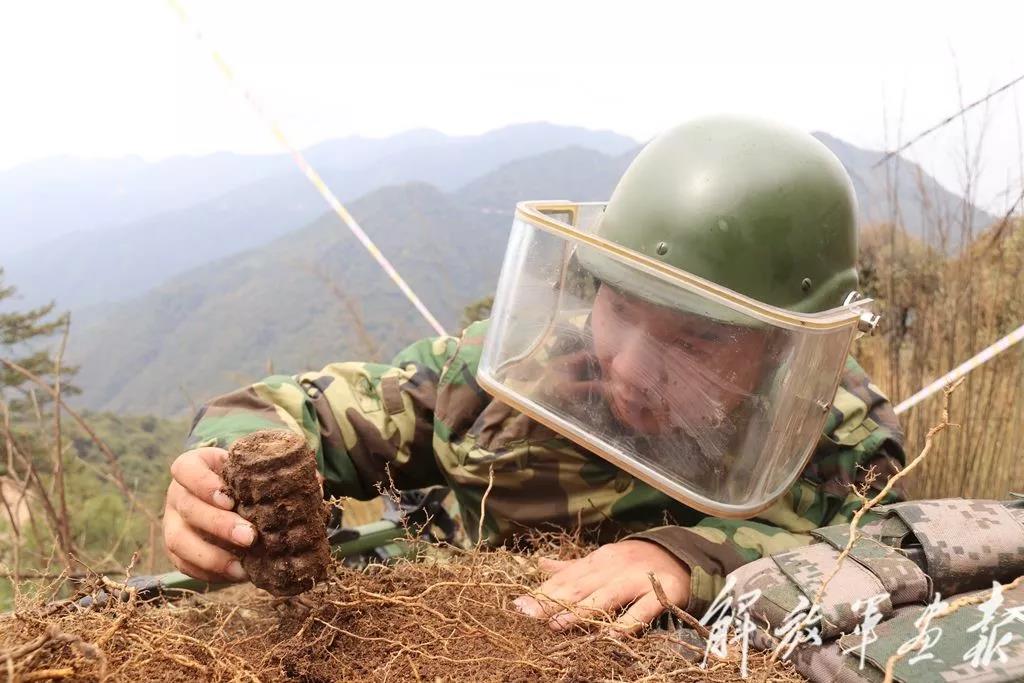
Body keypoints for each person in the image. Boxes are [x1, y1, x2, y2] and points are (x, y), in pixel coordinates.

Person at [162, 114, 905, 631]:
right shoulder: (511, 374)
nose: (633, 366)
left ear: (783, 349)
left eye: (699, 339)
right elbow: (300, 409)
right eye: (621, 302)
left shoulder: (839, 439)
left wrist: (694, 557)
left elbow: (885, 553)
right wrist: (221, 470)